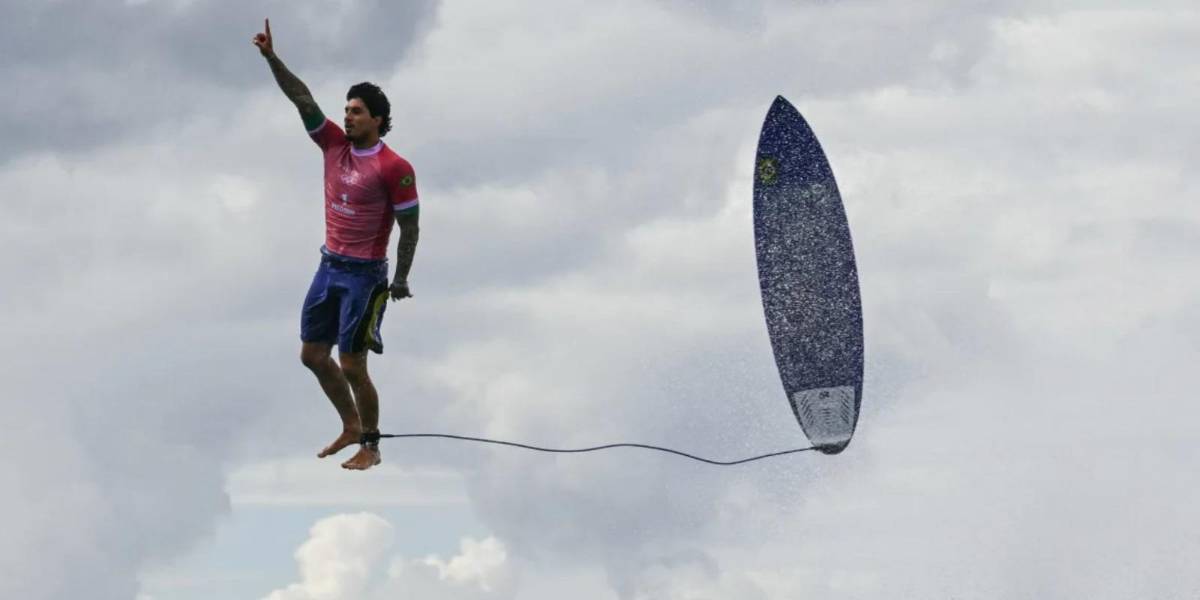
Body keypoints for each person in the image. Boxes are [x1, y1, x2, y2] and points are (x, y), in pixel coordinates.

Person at [253, 18, 420, 471]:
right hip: (329, 266)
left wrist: (401, 278)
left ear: (378, 120)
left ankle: (371, 444)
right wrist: (272, 58)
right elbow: (301, 97)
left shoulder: (394, 166)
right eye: (346, 110)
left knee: (352, 364)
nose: (347, 116)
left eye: (357, 111)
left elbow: (410, 226)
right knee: (312, 355)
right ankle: (349, 424)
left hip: (365, 276)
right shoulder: (332, 145)